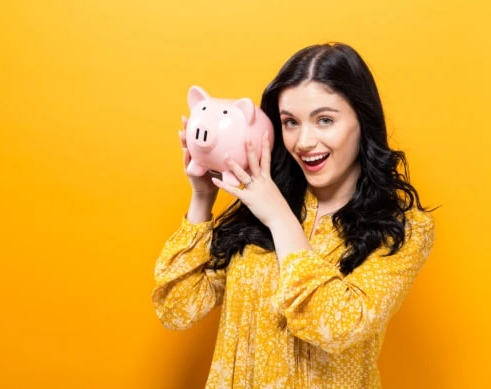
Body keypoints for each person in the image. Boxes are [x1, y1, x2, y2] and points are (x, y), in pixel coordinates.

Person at [151, 42, 435, 388]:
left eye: (324, 120)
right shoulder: (259, 204)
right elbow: (178, 309)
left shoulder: (405, 228)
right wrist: (202, 196)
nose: (303, 141)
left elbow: (335, 326)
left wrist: (280, 219)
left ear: (362, 120)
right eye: (290, 122)